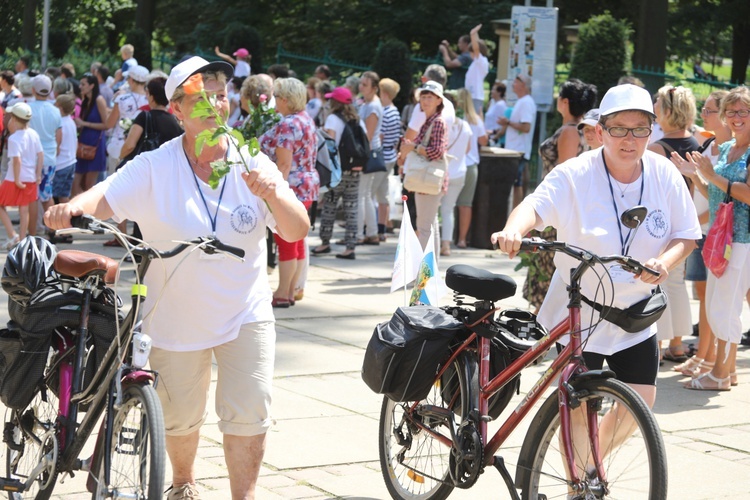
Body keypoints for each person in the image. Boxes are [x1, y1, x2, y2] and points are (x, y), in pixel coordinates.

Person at [45, 56, 309, 500]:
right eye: (201, 98)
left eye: (222, 95)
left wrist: (275, 197)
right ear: (177, 112)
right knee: (181, 418)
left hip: (245, 312)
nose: (216, 105)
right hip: (174, 318)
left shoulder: (250, 159)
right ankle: (183, 484)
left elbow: (297, 228)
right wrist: (71, 208)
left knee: (249, 412)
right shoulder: (156, 166)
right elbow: (106, 195)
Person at [492, 83, 700, 414]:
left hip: (636, 312)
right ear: (600, 131)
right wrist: (513, 230)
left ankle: (593, 464)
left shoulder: (665, 174)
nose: (630, 140)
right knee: (576, 410)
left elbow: (686, 234)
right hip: (579, 311)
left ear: (651, 131)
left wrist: (663, 262)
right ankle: (583, 466)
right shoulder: (575, 173)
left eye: (640, 130)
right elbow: (534, 206)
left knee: (641, 406)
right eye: (619, 129)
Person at [678, 86, 750, 390]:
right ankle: (726, 371)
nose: (735, 117)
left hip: (742, 240)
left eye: (742, 111)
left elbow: (747, 194)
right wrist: (696, 175)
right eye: (730, 112)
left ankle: (721, 373)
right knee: (718, 306)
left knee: (726, 307)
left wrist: (710, 174)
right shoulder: (731, 147)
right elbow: (719, 194)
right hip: (724, 238)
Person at [670, 90, 730, 379]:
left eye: (708, 110)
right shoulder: (710, 144)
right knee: (705, 295)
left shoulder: (731, 149)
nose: (703, 114)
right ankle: (705, 354)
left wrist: (693, 219)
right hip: (702, 229)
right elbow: (703, 190)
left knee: (719, 298)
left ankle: (715, 359)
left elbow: (722, 199)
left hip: (717, 231)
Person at [523, 78, 596, 311]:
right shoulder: (580, 130)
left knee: (548, 268)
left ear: (564, 102)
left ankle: (545, 325)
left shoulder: (570, 131)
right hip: (561, 206)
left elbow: (566, 172)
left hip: (557, 208)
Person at [648, 85, 701, 364]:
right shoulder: (697, 144)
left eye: (658, 102)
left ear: (668, 110)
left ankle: (654, 345)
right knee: (677, 284)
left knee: (656, 283)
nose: (654, 106)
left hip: (659, 224)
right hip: (686, 223)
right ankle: (677, 345)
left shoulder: (657, 148)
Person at [259, 77, 318, 307]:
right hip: (307, 185)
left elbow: (283, 163)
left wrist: (277, 194)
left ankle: (283, 292)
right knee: (296, 241)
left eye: (277, 97)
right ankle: (291, 290)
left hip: (292, 186)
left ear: (284, 99)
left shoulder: (288, 124)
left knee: (285, 241)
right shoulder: (306, 119)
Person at [311, 87, 362, 260]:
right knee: (352, 209)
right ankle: (350, 247)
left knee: (329, 206)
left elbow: (330, 146)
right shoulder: (357, 119)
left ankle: (325, 243)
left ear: (335, 102)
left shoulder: (332, 119)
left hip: (338, 171)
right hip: (355, 171)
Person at [400, 81, 448, 250]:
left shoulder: (437, 122)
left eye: (430, 97)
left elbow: (437, 152)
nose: (426, 101)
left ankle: (424, 273)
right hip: (427, 180)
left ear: (438, 101)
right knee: (428, 226)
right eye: (423, 97)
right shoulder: (430, 120)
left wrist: (413, 147)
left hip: (429, 180)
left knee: (424, 228)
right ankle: (429, 273)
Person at [0, 103, 42, 249]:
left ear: (15, 120)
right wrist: (38, 174)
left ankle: (13, 235)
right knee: (24, 210)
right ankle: (22, 241)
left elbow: (16, 160)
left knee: (1, 205)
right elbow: (40, 155)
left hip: (13, 178)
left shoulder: (13, 138)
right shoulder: (34, 134)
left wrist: (17, 179)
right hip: (30, 178)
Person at [439, 90, 474, 256]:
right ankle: (446, 245)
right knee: (448, 209)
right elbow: (468, 149)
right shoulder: (465, 125)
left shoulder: (441, 125)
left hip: (441, 172)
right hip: (459, 172)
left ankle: (435, 244)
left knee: (434, 211)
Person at [27, 74, 61, 236]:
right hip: (49, 158)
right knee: (47, 196)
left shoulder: (28, 108)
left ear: (33, 90)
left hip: (31, 159)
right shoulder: (55, 110)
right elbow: (58, 135)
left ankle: (32, 233)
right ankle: (53, 229)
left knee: (32, 198)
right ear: (50, 90)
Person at [498, 74, 536, 207]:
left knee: (516, 183)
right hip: (517, 150)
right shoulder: (523, 101)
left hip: (518, 150)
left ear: (523, 85)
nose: (513, 84)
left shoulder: (526, 102)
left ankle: (516, 213)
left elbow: (526, 127)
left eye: (515, 82)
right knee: (518, 182)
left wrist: (507, 122)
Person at [105, 65, 150, 177]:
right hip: (141, 149)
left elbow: (109, 124)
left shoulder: (121, 99)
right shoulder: (150, 100)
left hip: (119, 145)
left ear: (131, 80)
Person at [356, 71, 384, 245]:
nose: (361, 87)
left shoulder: (373, 106)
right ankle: (371, 232)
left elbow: (368, 135)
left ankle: (358, 233)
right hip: (368, 152)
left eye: (365, 85)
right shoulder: (367, 103)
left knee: (361, 194)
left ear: (374, 88)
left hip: (367, 154)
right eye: (361, 84)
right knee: (365, 195)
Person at [73, 74, 109, 195]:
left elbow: (106, 125)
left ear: (92, 86)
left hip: (96, 143)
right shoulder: (85, 101)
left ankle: (89, 212)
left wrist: (85, 123)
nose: (80, 87)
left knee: (89, 184)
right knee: (77, 182)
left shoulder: (99, 100)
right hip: (84, 142)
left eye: (83, 84)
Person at [378, 78, 401, 240]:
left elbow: (380, 136)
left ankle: (376, 225)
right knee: (383, 192)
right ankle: (382, 225)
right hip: (391, 154)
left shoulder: (386, 112)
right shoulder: (395, 111)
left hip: (382, 156)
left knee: (374, 193)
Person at [465, 24, 489, 115]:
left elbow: (476, 47)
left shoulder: (481, 61)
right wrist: (475, 34)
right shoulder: (477, 62)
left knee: (473, 120)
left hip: (475, 96)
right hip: (472, 95)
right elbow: (477, 43)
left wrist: (472, 34)